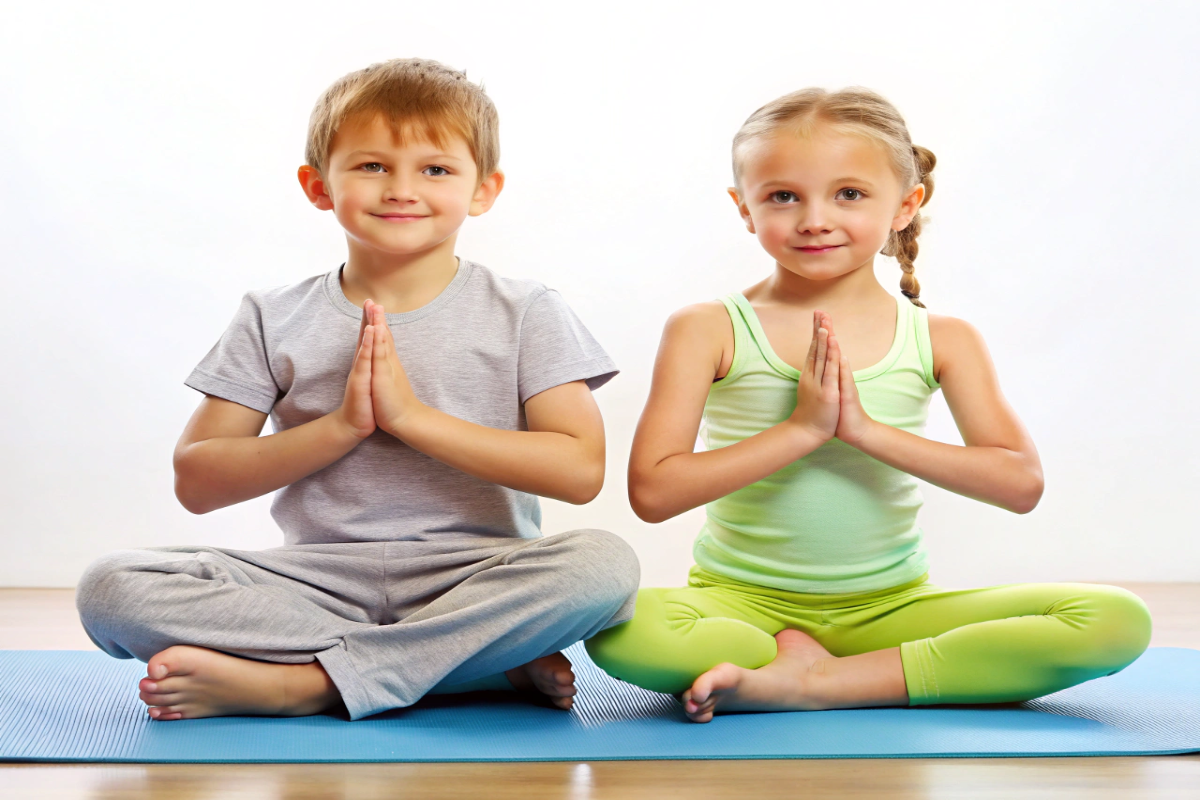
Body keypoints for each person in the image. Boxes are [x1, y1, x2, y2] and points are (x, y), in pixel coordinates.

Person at [75, 58, 639, 721]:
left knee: (605, 564)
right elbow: (199, 482)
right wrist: (342, 426)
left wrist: (411, 418)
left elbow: (578, 472)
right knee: (110, 587)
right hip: (315, 583)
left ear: (483, 190)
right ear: (319, 186)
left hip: (476, 578)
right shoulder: (270, 314)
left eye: (436, 169)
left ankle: (307, 684)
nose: (401, 189)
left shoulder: (528, 310)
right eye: (372, 166)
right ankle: (459, 667)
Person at [585, 87, 1151, 723]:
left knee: (1113, 619)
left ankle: (819, 681)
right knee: (618, 630)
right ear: (744, 207)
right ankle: (827, 665)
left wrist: (862, 430)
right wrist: (801, 431)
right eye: (783, 196)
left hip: (891, 611)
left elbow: (1019, 484)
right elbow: (654, 493)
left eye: (849, 194)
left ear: (906, 205)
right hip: (741, 608)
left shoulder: (944, 338)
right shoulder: (706, 328)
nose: (814, 219)